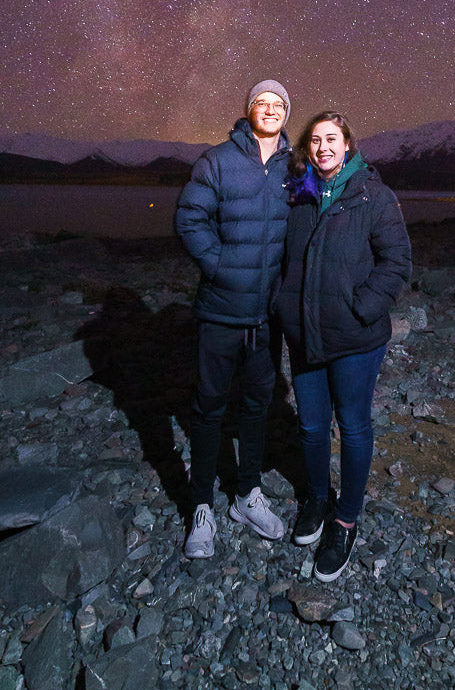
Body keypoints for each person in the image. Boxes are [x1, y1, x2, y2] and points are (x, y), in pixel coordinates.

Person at [274, 111, 412, 581]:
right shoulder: (299, 195)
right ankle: (317, 497)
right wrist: (281, 305)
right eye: (315, 140)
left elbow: (397, 261)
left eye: (332, 139)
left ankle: (346, 519)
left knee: (352, 428)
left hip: (354, 338)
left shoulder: (373, 195)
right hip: (304, 333)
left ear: (348, 145)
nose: (323, 147)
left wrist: (361, 308)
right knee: (312, 427)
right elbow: (282, 259)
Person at [174, 80, 292, 558]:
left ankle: (247, 494)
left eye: (279, 104)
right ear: (248, 111)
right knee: (208, 408)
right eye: (261, 103)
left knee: (258, 406)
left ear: (287, 114)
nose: (270, 109)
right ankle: (201, 504)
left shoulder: (295, 166)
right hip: (221, 311)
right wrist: (220, 267)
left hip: (267, 316)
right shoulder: (217, 160)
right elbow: (189, 218)